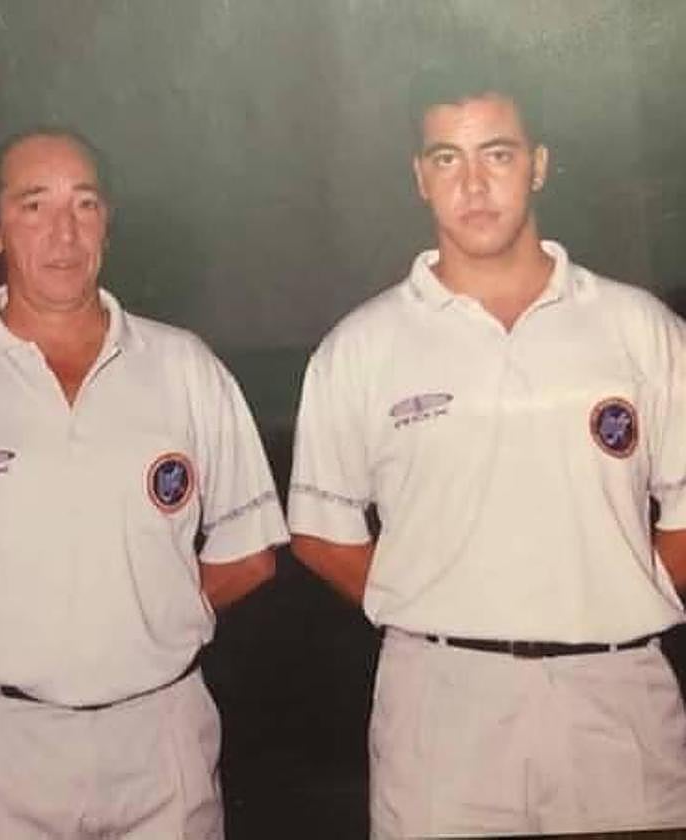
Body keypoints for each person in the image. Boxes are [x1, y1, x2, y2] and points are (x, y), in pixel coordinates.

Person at [0, 127, 287, 839]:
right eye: (33, 206)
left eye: (85, 205)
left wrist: (143, 623)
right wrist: (3, 643)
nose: (64, 233)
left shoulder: (184, 366)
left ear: (108, 222)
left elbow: (249, 552)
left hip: (160, 738)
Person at [288, 59, 686, 838]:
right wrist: (439, 602)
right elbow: (321, 535)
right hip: (441, 712)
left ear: (537, 165)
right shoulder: (361, 346)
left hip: (616, 697)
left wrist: (614, 596)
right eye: (448, 159)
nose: (473, 185)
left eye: (497, 155)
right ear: (420, 177)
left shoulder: (640, 329)